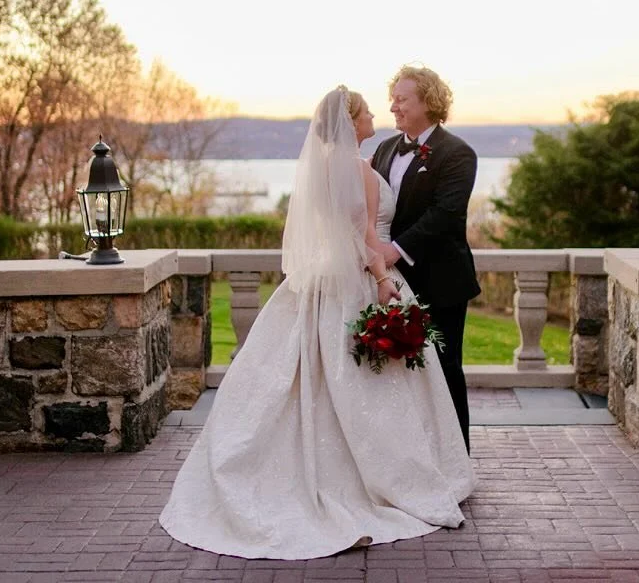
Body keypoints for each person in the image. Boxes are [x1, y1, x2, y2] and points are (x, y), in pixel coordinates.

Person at [159, 86, 474, 560]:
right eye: (368, 110)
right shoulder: (364, 167)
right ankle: (386, 477)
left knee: (311, 382)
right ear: (351, 122)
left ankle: (304, 471)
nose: (378, 115)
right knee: (368, 383)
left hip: (317, 286)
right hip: (359, 283)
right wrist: (384, 280)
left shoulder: (323, 167)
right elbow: (366, 237)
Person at [370, 65, 481, 452]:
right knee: (396, 374)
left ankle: (456, 459)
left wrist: (394, 250)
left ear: (428, 102)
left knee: (445, 369)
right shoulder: (384, 149)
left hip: (441, 282)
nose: (393, 107)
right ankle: (408, 458)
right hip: (391, 284)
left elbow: (444, 215)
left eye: (402, 100)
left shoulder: (458, 153)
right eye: (393, 99)